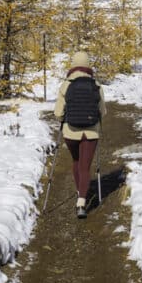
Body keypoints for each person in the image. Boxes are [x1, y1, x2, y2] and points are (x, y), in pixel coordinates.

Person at [53, 51, 106, 219]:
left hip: (71, 131)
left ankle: (79, 190)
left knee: (76, 161)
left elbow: (58, 112)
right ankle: (82, 203)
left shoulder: (66, 84)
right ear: (88, 64)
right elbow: (102, 112)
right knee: (85, 166)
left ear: (73, 64)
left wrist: (64, 118)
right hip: (91, 132)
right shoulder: (96, 85)